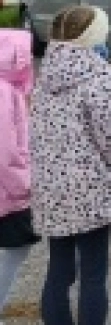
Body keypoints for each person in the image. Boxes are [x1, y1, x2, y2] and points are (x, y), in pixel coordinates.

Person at [30, 6, 111, 325]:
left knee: (58, 270)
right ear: (93, 36)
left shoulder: (45, 74)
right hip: (91, 190)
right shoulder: (99, 76)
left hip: (51, 188)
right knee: (93, 273)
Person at [0, 29, 36, 317]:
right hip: (7, 191)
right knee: (15, 249)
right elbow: (5, 151)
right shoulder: (3, 91)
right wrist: (24, 185)